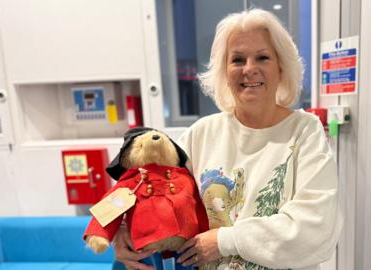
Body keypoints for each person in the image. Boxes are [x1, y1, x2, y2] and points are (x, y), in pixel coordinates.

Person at [114, 8, 343, 270]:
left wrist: (225, 240)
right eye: (237, 60)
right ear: (224, 71)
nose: (249, 69)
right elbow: (146, 188)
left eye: (262, 57)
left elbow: (315, 228)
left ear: (281, 67)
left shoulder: (304, 131)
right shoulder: (201, 134)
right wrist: (121, 230)